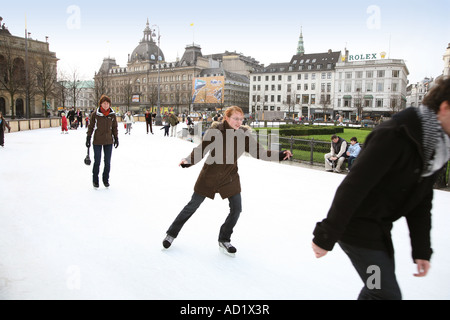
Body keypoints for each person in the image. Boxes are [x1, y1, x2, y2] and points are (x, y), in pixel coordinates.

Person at [311, 77, 450, 300]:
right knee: (383, 293)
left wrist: (422, 249)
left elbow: (421, 200)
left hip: (377, 230)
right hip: (355, 229)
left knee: (376, 290)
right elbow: (353, 186)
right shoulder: (395, 134)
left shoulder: (436, 147)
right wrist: (325, 235)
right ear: (445, 107)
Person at [162, 106, 293, 254]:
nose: (239, 122)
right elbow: (201, 150)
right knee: (192, 206)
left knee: (236, 209)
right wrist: (188, 161)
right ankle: (171, 234)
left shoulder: (244, 135)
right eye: (235, 118)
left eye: (241, 119)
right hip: (209, 176)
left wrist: (280, 155)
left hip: (230, 177)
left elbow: (260, 152)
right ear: (226, 118)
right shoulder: (215, 132)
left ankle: (224, 239)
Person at [86, 95, 119, 188]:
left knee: (107, 162)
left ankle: (105, 179)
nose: (106, 105)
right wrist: (88, 137)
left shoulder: (112, 115)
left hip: (109, 141)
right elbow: (91, 126)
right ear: (101, 104)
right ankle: (95, 180)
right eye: (104, 103)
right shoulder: (95, 114)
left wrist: (116, 138)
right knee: (97, 161)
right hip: (97, 141)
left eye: (107, 103)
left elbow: (114, 127)